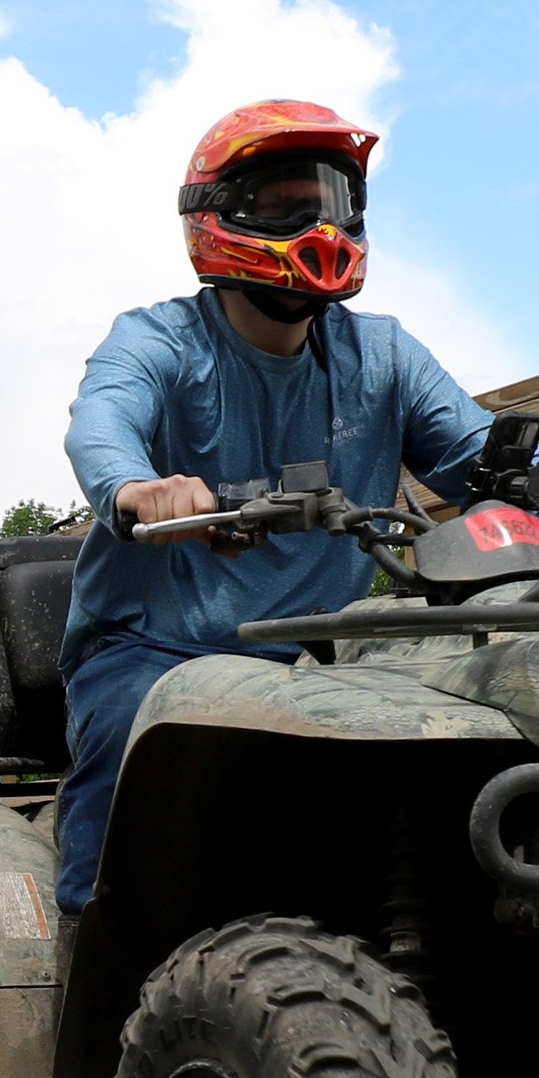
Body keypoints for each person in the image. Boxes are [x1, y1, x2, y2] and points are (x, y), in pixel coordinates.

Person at [51, 99, 497, 917]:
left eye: (328, 205)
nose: (313, 226)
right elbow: (102, 421)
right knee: (130, 735)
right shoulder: (158, 341)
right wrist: (135, 487)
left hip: (330, 657)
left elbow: (484, 454)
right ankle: (89, 961)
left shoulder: (384, 355)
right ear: (216, 216)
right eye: (282, 207)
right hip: (156, 648)